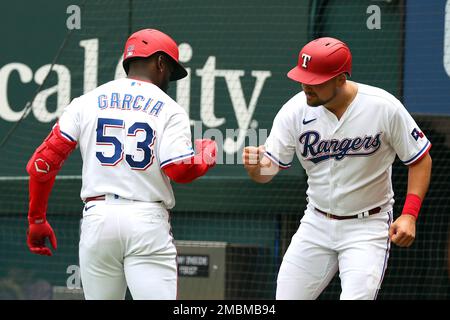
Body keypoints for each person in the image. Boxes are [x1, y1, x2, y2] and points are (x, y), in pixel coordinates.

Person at [25, 28, 217, 300]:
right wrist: (206, 156)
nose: (170, 79)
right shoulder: (169, 108)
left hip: (98, 218)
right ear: (160, 62)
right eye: (171, 71)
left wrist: (37, 218)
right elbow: (181, 170)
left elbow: (42, 164)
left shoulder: (86, 102)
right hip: (145, 220)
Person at [243, 37, 432, 300]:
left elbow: (420, 158)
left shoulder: (382, 106)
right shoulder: (294, 111)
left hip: (368, 225)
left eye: (315, 81)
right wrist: (255, 168)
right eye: (303, 77)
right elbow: (267, 171)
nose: (306, 86)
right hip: (316, 223)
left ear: (341, 78)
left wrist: (410, 214)